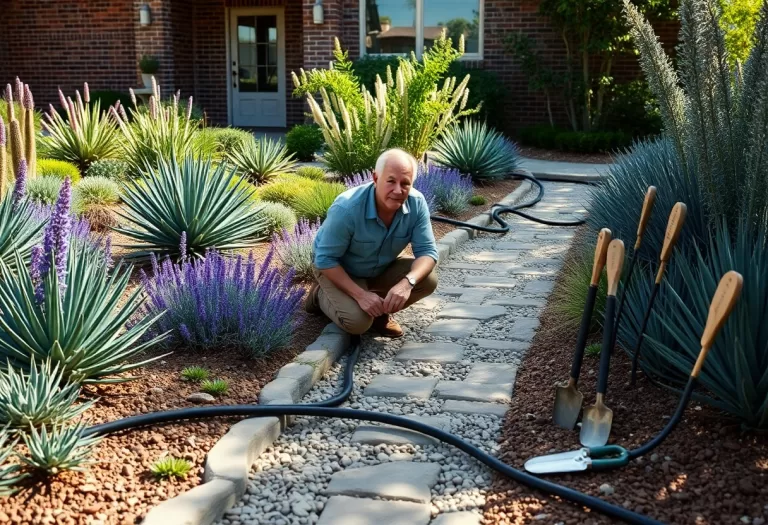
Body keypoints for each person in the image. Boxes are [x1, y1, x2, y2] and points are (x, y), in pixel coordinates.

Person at [305, 148, 439, 338]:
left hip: (378, 267)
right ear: (375, 178)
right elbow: (325, 260)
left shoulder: (417, 203)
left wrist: (407, 283)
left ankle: (379, 312)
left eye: (405, 183)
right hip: (337, 268)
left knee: (427, 279)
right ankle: (320, 295)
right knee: (358, 323)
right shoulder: (347, 208)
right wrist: (361, 295)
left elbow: (427, 252)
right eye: (391, 181)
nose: (398, 190)